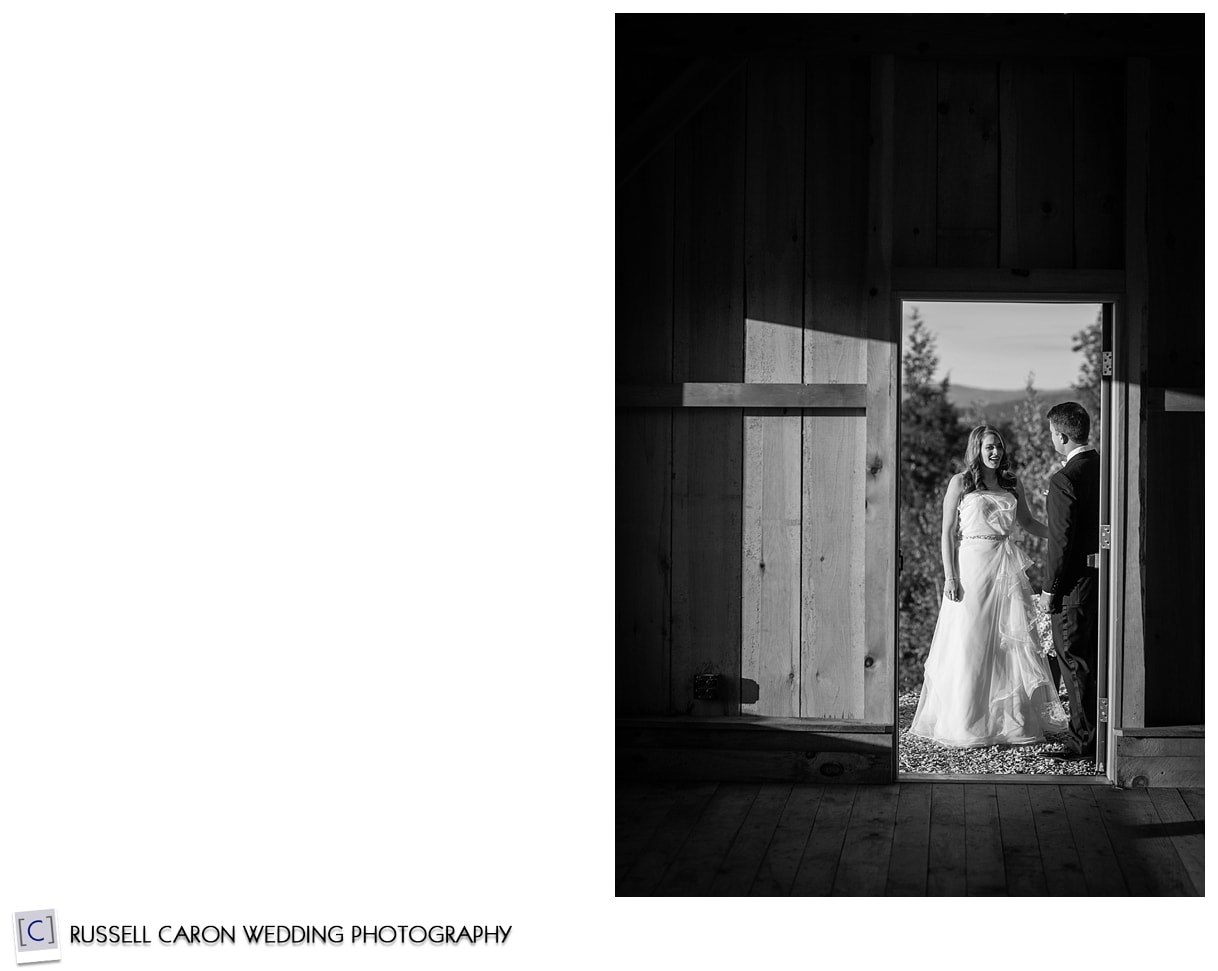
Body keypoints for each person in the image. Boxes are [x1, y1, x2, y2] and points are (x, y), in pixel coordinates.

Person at [910, 426, 1068, 747]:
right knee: (972, 641)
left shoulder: (1012, 483)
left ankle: (1010, 722)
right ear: (977, 450)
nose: (995, 453)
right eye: (989, 448)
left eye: (998, 447)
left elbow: (1027, 523)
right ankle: (967, 721)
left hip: (1006, 569)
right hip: (971, 568)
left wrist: (1062, 535)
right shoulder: (961, 483)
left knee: (1008, 644)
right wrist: (950, 576)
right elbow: (947, 532)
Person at [1039, 402, 1101, 758]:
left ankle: (1083, 742)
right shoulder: (1104, 467)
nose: (1051, 439)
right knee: (1091, 660)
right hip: (1100, 580)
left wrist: (1050, 589)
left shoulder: (1064, 479)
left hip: (1074, 586)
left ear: (1061, 436)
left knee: (1074, 663)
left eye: (1051, 433)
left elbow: (1059, 543)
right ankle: (1094, 734)